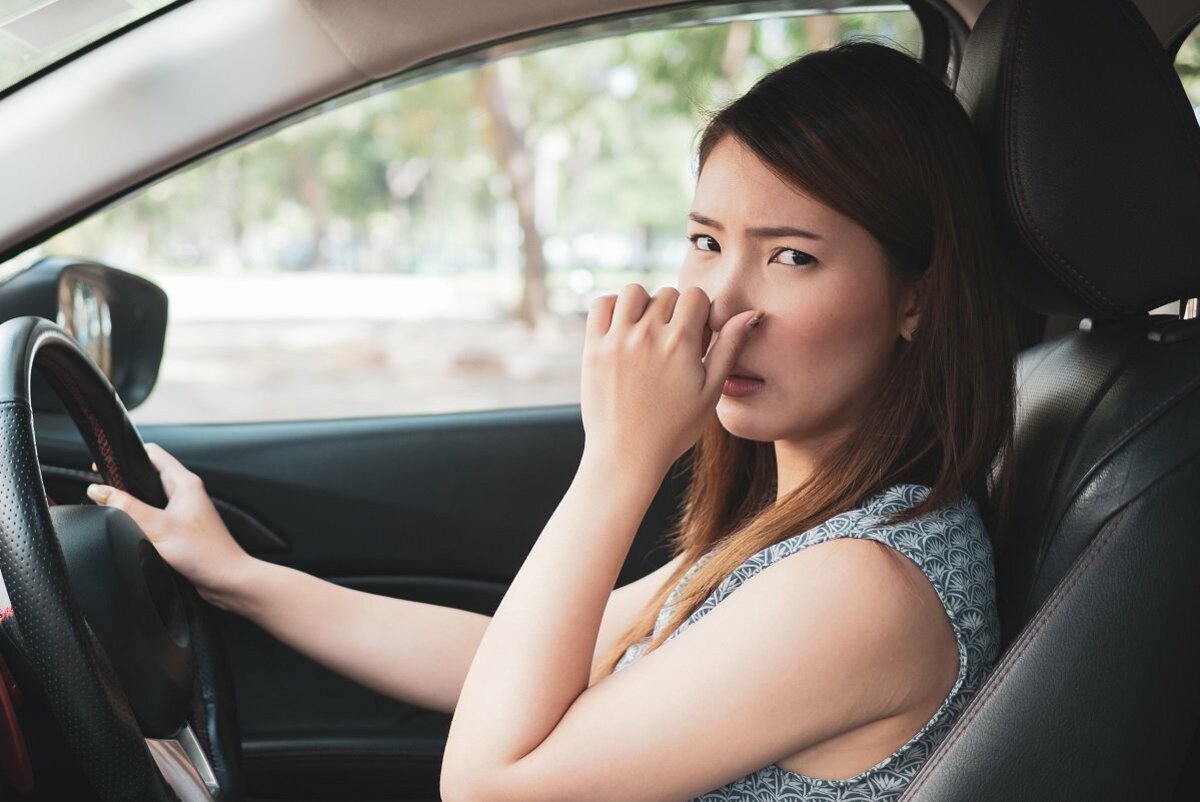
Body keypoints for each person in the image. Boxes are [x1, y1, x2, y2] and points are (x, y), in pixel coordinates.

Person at [86, 39, 1016, 802]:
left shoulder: (865, 584)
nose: (720, 303)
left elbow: (491, 785)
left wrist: (620, 459)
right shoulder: (803, 531)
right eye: (705, 241)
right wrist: (242, 580)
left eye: (792, 258)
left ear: (916, 302)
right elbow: (515, 671)